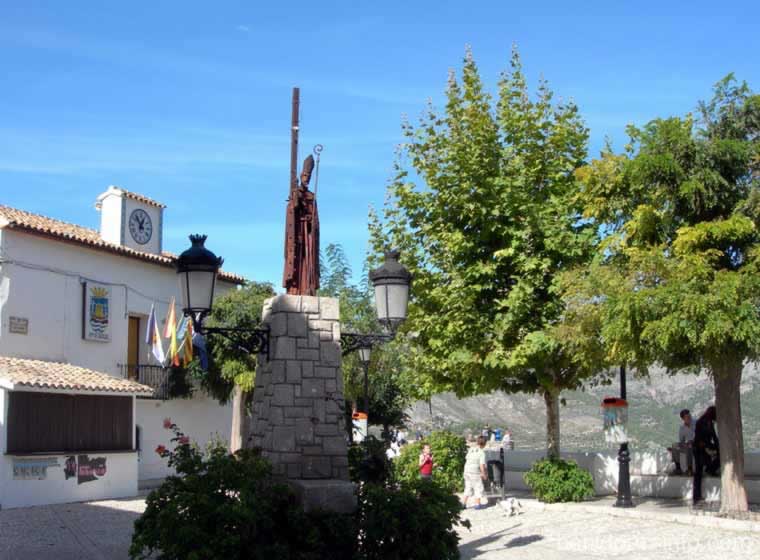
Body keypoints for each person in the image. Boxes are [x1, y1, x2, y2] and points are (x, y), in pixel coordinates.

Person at [693, 405, 720, 504]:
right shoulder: (701, 422)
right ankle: (696, 496)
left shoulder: (709, 423)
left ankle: (710, 469)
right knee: (698, 472)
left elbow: (714, 436)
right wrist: (709, 446)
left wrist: (718, 447)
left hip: (705, 446)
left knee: (701, 470)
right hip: (699, 448)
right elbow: (699, 438)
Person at [462, 435, 488, 509]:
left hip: (466, 470)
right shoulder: (481, 453)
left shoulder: (471, 449)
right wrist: (484, 474)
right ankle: (477, 504)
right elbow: (481, 465)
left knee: (468, 487)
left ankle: (463, 503)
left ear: (477, 442)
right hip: (474, 471)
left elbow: (466, 458)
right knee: (478, 487)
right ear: (485, 443)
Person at [670, 409, 695, 475]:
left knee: (690, 446)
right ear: (683, 419)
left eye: (690, 416)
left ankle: (690, 469)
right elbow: (682, 440)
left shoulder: (696, 423)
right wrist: (683, 444)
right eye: (687, 417)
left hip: (697, 443)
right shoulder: (682, 428)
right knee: (674, 445)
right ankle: (678, 468)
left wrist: (692, 441)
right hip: (688, 444)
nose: (689, 417)